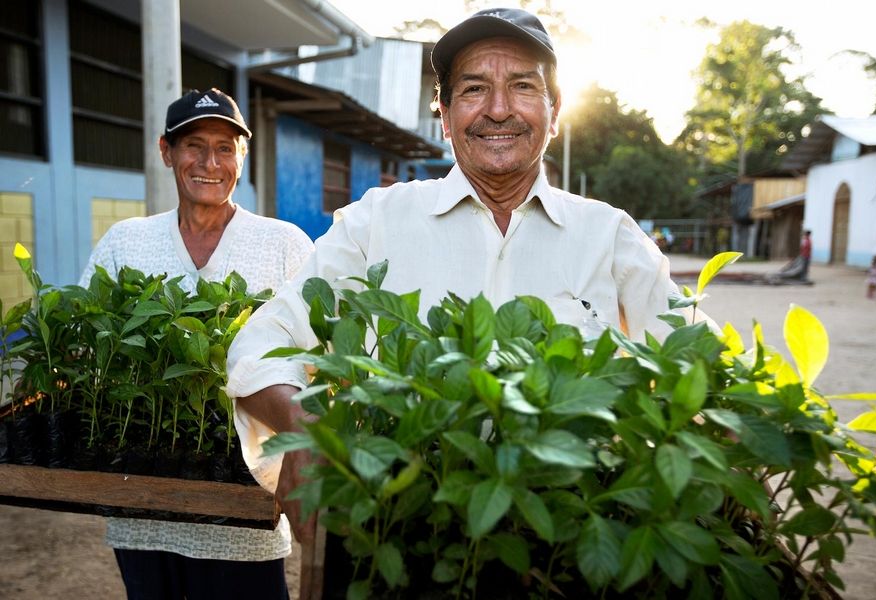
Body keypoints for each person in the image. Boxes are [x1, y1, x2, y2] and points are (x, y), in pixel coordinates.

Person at [225, 7, 692, 591]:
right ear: (443, 116)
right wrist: (305, 420)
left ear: (555, 113)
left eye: (523, 86)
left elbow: (692, 363)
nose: (499, 109)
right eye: (474, 89)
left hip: (558, 552)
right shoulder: (377, 222)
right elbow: (260, 345)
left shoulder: (609, 234)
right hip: (396, 534)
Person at [79, 88, 314, 599]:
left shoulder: (284, 244)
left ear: (241, 158)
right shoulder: (125, 242)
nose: (211, 162)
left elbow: (317, 360)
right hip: (143, 505)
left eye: (226, 148)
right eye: (194, 146)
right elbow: (86, 346)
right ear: (167, 152)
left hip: (247, 506)